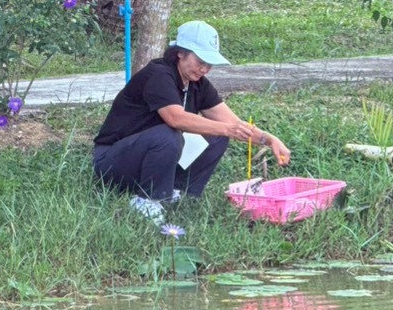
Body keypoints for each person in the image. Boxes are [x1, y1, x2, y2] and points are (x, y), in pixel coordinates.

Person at [92, 20, 292, 223]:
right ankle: (147, 199)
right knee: (168, 134)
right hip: (112, 162)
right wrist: (227, 129)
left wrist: (269, 140)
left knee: (216, 135)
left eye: (210, 64)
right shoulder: (159, 75)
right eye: (200, 61)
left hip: (152, 157)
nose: (205, 69)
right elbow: (175, 118)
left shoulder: (198, 84)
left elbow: (233, 123)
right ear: (180, 53)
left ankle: (176, 191)